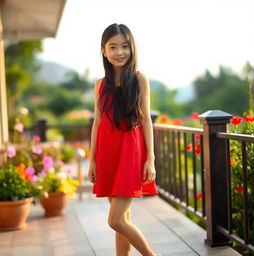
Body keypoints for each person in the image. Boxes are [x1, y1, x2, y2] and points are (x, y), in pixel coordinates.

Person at [88, 23, 159, 256]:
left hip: (130, 153)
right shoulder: (99, 85)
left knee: (116, 220)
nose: (120, 52)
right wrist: (93, 160)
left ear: (132, 49)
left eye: (125, 46)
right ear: (103, 51)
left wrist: (151, 158)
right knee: (123, 217)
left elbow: (146, 120)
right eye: (113, 46)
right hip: (108, 154)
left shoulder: (139, 80)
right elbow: (97, 123)